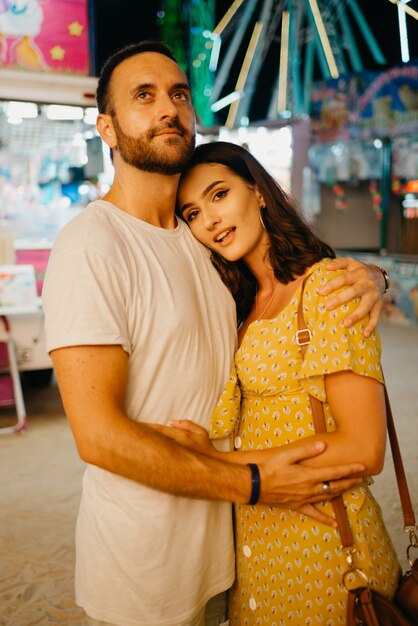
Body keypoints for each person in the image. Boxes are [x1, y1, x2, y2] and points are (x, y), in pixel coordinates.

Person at [42, 41, 388, 626]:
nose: (167, 109)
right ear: (107, 126)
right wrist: (251, 479)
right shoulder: (90, 246)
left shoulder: (200, 245)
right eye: (143, 96)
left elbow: (290, 297)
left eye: (178, 94)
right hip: (145, 565)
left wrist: (374, 277)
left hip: (227, 552)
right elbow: (98, 436)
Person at [171, 140, 401, 625]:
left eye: (219, 195)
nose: (209, 220)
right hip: (256, 544)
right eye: (192, 212)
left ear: (257, 192)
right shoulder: (237, 307)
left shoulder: (325, 288)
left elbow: (363, 447)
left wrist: (217, 465)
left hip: (323, 549)